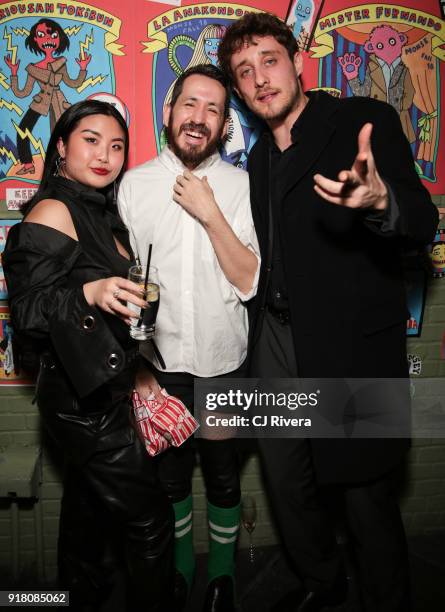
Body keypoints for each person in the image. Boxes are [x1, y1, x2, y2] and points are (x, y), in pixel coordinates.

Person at [218, 12, 438, 612]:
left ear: (297, 62)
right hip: (280, 342)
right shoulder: (258, 162)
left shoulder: (361, 121)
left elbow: (422, 219)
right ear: (238, 92)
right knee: (288, 482)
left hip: (351, 348)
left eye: (268, 60)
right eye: (244, 72)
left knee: (365, 493)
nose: (260, 78)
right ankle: (322, 580)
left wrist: (381, 200)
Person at [3, 100, 174, 612]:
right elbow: (30, 308)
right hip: (83, 407)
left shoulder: (100, 211)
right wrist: (89, 294)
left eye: (117, 145)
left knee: (89, 529)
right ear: (61, 146)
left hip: (100, 391)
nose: (106, 154)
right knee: (151, 521)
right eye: (91, 139)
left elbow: (113, 316)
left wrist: (140, 366)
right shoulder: (55, 209)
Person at [118, 63, 260, 612]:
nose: (199, 118)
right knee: (172, 481)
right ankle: (180, 573)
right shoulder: (134, 185)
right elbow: (123, 280)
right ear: (168, 112)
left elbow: (250, 279)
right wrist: (136, 365)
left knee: (223, 477)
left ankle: (221, 578)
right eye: (190, 105)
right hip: (159, 363)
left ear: (225, 125)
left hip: (226, 359)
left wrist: (210, 213)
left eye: (213, 109)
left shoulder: (243, 187)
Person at [5, 18, 90, 176]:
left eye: (53, 35)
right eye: (41, 35)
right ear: (35, 39)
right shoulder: (33, 68)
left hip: (58, 102)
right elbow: (22, 93)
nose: (47, 40)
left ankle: (62, 169)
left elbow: (73, 83)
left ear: (59, 39)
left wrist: (83, 69)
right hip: (40, 101)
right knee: (23, 130)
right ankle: (28, 164)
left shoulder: (61, 63)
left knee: (62, 136)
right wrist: (14, 73)